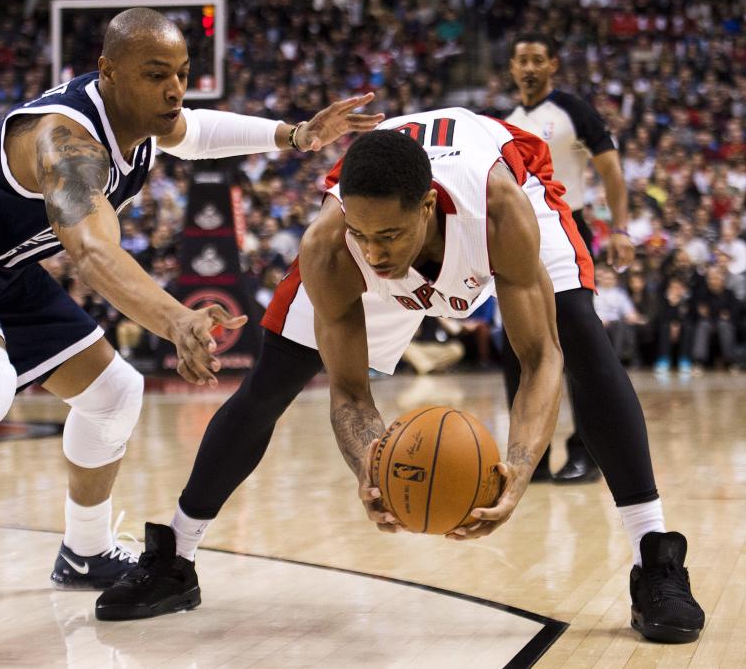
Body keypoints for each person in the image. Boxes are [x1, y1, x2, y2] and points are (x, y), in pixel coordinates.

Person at [0, 7, 381, 658]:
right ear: (108, 72)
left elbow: (195, 130)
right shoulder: (68, 144)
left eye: (180, 73)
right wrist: (176, 318)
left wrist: (294, 135)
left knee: (114, 392)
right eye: (156, 75)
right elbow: (92, 254)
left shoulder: (146, 123)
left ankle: (85, 552)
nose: (174, 89)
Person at [96, 111, 705, 645]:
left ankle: (654, 559)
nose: (377, 252)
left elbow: (539, 357)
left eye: (388, 235)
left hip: (502, 189)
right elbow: (350, 392)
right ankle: (174, 558)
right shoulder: (334, 246)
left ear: (427, 207)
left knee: (580, 338)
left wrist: (519, 467)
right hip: (387, 207)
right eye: (363, 234)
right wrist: (370, 466)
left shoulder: (500, 210)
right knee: (269, 384)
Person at [505, 31, 634, 482]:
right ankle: (530, 459)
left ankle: (585, 453)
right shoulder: (508, 119)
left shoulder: (572, 110)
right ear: (511, 68)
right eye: (522, 60)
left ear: (553, 65)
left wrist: (619, 229)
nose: (529, 68)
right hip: (518, 235)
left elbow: (612, 172)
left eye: (538, 59)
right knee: (517, 347)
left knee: (576, 344)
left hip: (567, 228)